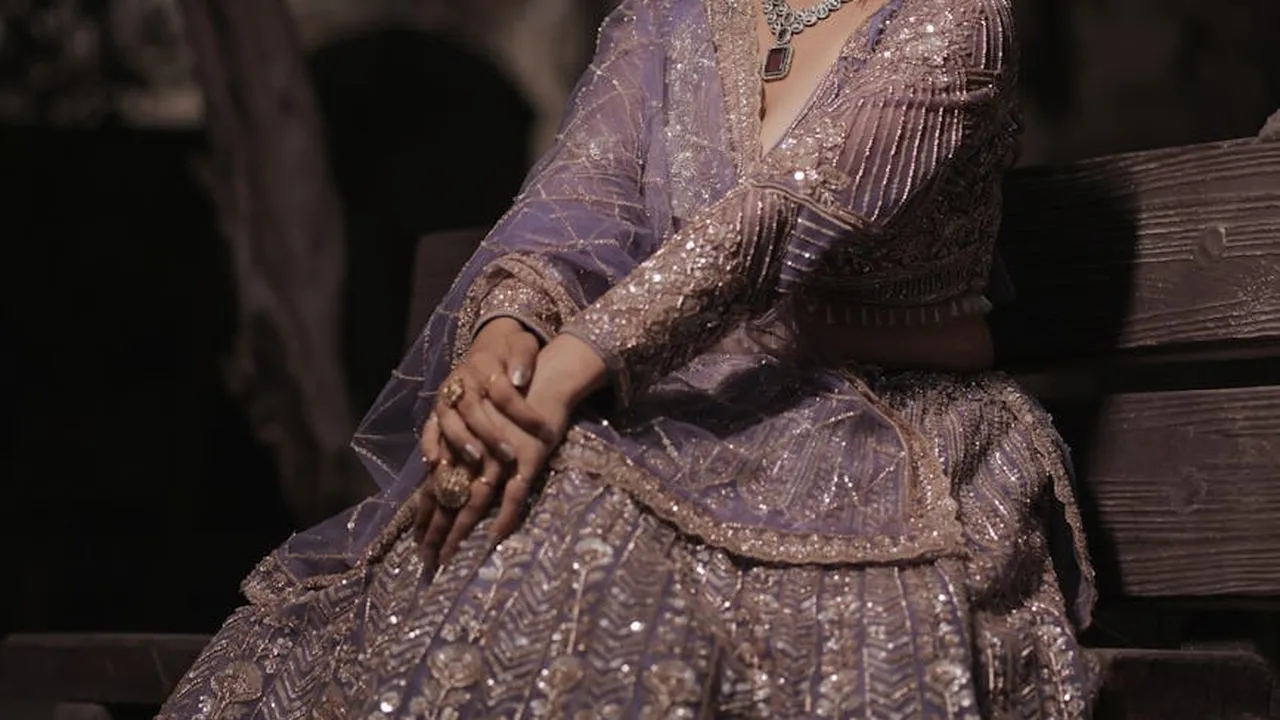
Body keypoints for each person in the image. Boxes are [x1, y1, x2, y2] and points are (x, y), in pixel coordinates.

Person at [159, 0, 1099, 716]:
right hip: (695, 400)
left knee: (577, 501)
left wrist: (567, 371)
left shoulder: (956, 21)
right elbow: (578, 203)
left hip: (890, 430)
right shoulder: (672, 15)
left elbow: (769, 228)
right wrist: (500, 352)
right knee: (504, 506)